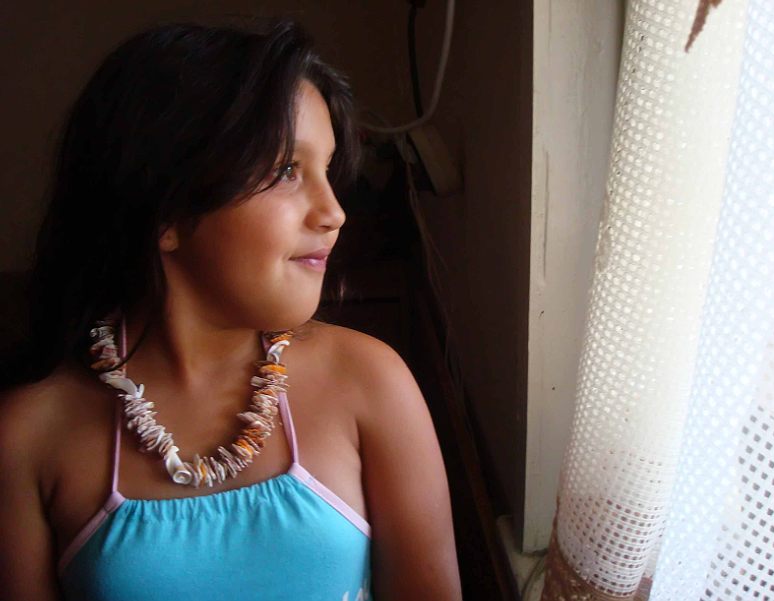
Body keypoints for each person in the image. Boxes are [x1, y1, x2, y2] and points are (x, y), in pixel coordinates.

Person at [0, 20, 461, 600]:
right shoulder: (28, 437)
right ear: (166, 209)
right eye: (287, 171)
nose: (334, 212)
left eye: (328, 170)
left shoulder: (370, 381)